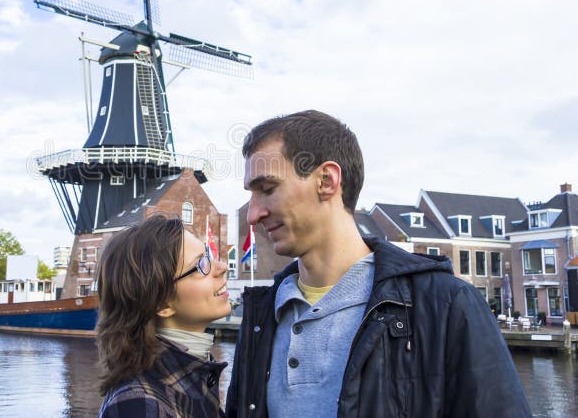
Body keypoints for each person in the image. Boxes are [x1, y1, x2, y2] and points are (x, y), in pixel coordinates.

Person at [226, 110, 531, 418]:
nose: (252, 215)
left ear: (327, 181)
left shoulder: (446, 304)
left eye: (268, 189)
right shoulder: (261, 314)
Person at [97, 214, 231, 418]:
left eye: (208, 255)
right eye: (201, 265)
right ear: (162, 303)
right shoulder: (138, 406)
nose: (222, 267)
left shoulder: (196, 381)